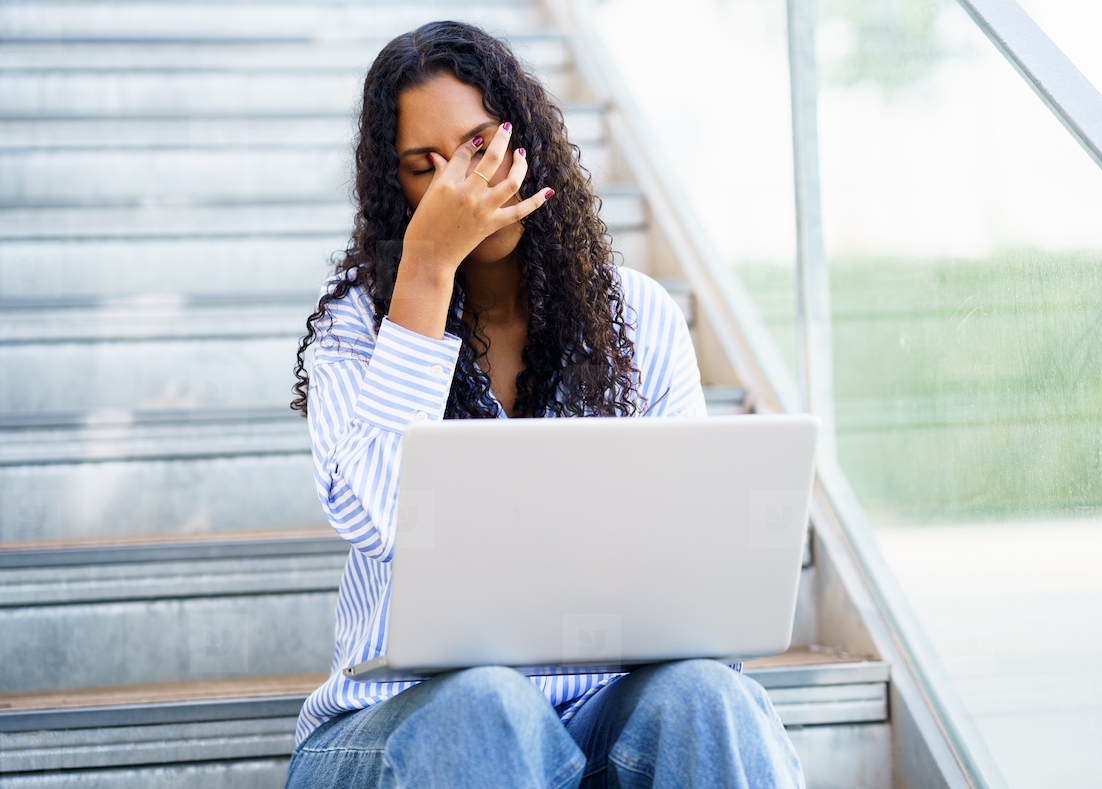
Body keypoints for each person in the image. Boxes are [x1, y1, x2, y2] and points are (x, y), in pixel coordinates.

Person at [286, 20, 804, 789]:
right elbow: (376, 511)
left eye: (476, 147)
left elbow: (690, 581)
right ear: (393, 188)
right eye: (421, 168)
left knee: (707, 697)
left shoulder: (638, 317)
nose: (458, 185)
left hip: (595, 712)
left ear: (524, 141)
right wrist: (427, 269)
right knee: (485, 705)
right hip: (401, 727)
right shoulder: (357, 327)